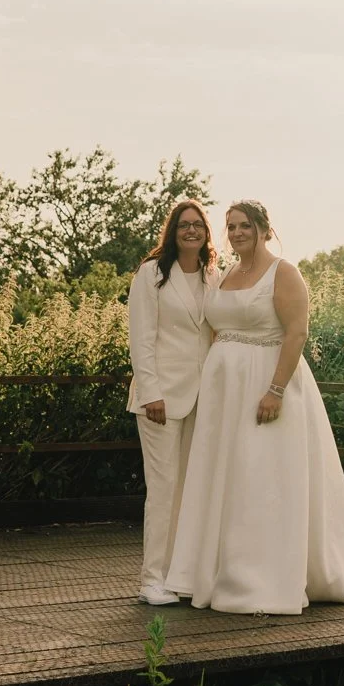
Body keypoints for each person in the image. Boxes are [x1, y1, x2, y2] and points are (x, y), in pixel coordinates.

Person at [164, 198, 344, 613]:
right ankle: (216, 571)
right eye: (231, 226)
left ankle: (261, 577)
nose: (236, 233)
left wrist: (275, 390)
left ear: (264, 229)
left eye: (245, 226)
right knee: (228, 478)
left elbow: (297, 333)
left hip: (266, 388)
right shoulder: (224, 275)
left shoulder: (283, 273)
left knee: (262, 478)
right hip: (224, 396)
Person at [125, 198, 217, 605]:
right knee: (162, 489)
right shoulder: (151, 276)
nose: (191, 231)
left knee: (192, 488)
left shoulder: (215, 277)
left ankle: (181, 574)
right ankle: (152, 579)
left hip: (205, 398)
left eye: (198, 224)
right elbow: (141, 340)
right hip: (161, 398)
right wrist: (151, 393)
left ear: (206, 232)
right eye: (184, 225)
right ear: (173, 231)